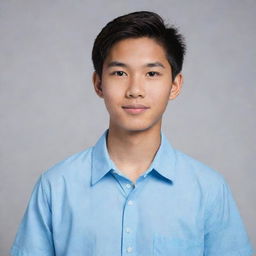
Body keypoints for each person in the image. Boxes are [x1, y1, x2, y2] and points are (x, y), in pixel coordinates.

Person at [10, 11, 254, 256]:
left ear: (175, 85)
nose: (135, 90)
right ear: (98, 84)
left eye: (151, 74)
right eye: (119, 73)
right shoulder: (55, 187)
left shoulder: (209, 190)